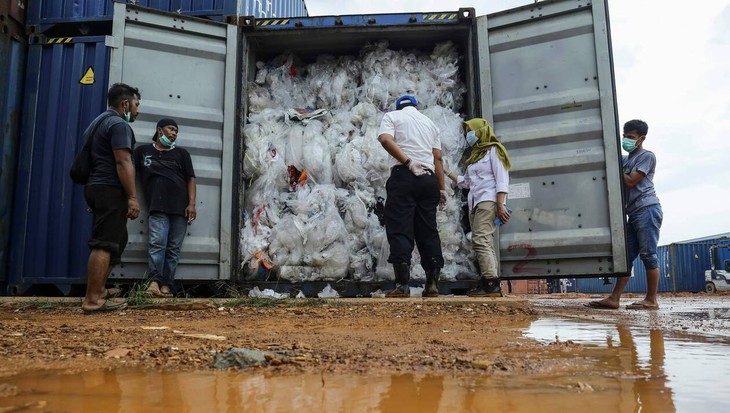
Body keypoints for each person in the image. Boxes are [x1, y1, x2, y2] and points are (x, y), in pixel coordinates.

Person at [587, 119, 663, 310]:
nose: (626, 140)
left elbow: (630, 182)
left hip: (647, 209)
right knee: (625, 258)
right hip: (634, 213)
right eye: (624, 136)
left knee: (648, 255)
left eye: (631, 137)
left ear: (642, 138)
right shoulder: (625, 159)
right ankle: (614, 298)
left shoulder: (647, 156)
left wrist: (615, 163)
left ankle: (651, 300)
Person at [377, 95, 446, 298]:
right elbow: (437, 158)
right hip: (429, 180)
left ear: (399, 106)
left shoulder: (392, 116)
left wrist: (408, 162)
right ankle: (432, 284)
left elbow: (385, 139)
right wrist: (442, 188)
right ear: (416, 106)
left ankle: (402, 286)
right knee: (428, 231)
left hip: (404, 176)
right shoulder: (430, 124)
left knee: (400, 227)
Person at [81, 83, 141, 313]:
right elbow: (122, 162)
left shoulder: (97, 122)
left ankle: (100, 289)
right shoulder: (118, 124)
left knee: (118, 239)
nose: (137, 110)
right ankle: (92, 300)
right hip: (109, 188)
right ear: (125, 104)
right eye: (136, 105)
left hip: (96, 187)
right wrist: (133, 197)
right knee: (104, 243)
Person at [446, 118, 511, 296]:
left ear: (481, 131)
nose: (469, 135)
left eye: (471, 130)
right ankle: (491, 282)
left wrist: (500, 205)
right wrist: (446, 171)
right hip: (475, 204)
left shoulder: (494, 150)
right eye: (467, 132)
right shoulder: (476, 156)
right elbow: (465, 182)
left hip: (489, 201)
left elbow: (502, 179)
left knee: (481, 241)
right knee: (484, 242)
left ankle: (491, 284)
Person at [133, 118, 196, 298]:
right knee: (157, 244)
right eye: (171, 129)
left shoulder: (182, 154)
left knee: (174, 248)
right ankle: (153, 283)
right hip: (157, 207)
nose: (174, 133)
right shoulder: (143, 151)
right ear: (159, 130)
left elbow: (191, 179)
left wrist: (191, 204)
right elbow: (129, 172)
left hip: (180, 209)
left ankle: (166, 285)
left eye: (176, 131)